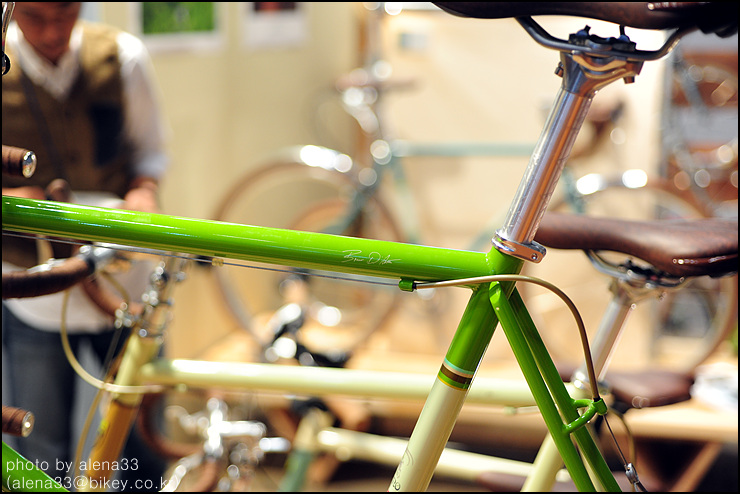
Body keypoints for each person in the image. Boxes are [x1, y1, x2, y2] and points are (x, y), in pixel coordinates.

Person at [2, 2, 170, 490]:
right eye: (35, 16)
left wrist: (143, 195)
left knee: (141, 440)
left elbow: (150, 154)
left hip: (123, 280)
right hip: (34, 289)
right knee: (39, 445)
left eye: (65, 13)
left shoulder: (122, 57)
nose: (53, 30)